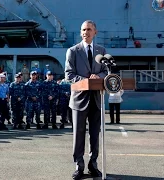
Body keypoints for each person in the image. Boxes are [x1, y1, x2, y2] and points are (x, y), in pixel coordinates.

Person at [65, 20, 108, 179]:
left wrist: (99, 77)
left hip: (97, 98)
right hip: (79, 100)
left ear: (95, 32)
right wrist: (86, 81)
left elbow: (105, 71)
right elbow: (68, 75)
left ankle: (93, 164)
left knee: (95, 135)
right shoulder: (73, 51)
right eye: (83, 29)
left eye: (89, 29)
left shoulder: (101, 50)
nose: (86, 32)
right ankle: (79, 165)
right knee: (79, 134)